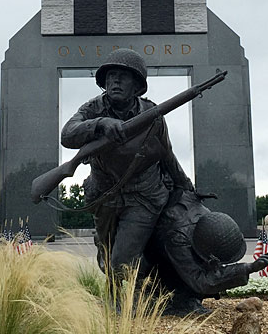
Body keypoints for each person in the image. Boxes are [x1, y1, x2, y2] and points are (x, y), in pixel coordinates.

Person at [60, 48, 194, 275]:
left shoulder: (152, 114)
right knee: (107, 261)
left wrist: (187, 186)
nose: (116, 81)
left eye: (123, 76)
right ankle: (122, 302)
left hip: (143, 197)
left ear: (137, 86)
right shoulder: (94, 108)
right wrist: (99, 124)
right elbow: (68, 134)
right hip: (105, 196)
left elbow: (167, 155)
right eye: (111, 76)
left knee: (121, 263)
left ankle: (139, 298)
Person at [146, 188, 268, 315]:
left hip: (173, 235)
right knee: (187, 277)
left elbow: (212, 270)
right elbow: (200, 280)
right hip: (149, 254)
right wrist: (248, 268)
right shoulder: (177, 238)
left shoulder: (205, 218)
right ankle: (178, 301)